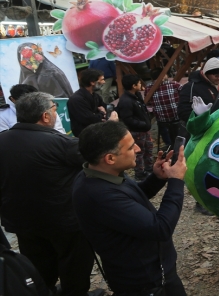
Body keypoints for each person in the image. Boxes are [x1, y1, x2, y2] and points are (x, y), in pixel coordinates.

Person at [0, 92, 104, 296]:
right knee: (74, 265)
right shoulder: (60, 143)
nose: (56, 115)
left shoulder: (2, 141)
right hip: (64, 221)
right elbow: (98, 159)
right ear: (45, 116)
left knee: (38, 265)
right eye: (55, 110)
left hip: (22, 222)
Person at [72, 121, 187, 296]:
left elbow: (131, 197)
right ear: (110, 158)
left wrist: (156, 178)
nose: (138, 150)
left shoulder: (103, 172)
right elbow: (161, 228)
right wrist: (176, 182)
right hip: (146, 283)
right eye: (131, 147)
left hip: (154, 273)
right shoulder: (99, 194)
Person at [177, 58, 219, 215]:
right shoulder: (191, 87)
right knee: (203, 167)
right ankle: (201, 201)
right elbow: (182, 111)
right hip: (201, 134)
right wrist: (201, 117)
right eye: (215, 74)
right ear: (206, 73)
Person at [115, 74, 153, 180]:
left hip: (145, 129)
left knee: (148, 149)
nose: (141, 84)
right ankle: (140, 173)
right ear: (133, 85)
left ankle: (149, 168)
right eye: (139, 83)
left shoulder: (137, 96)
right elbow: (127, 119)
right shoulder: (126, 100)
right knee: (139, 153)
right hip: (137, 131)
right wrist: (142, 124)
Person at [0, 83, 66, 134]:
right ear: (13, 99)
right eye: (24, 100)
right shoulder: (2, 115)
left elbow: (59, 130)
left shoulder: (48, 108)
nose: (29, 102)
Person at [68, 69, 117, 136]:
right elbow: (89, 119)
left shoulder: (95, 95)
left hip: (98, 130)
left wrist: (111, 111)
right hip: (88, 135)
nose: (104, 82)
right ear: (92, 82)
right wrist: (102, 113)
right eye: (102, 79)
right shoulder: (76, 100)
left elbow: (105, 106)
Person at [145, 68, 181, 147]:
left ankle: (169, 146)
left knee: (163, 129)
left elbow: (149, 104)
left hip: (162, 121)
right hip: (177, 118)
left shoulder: (148, 89)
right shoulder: (175, 85)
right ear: (163, 75)